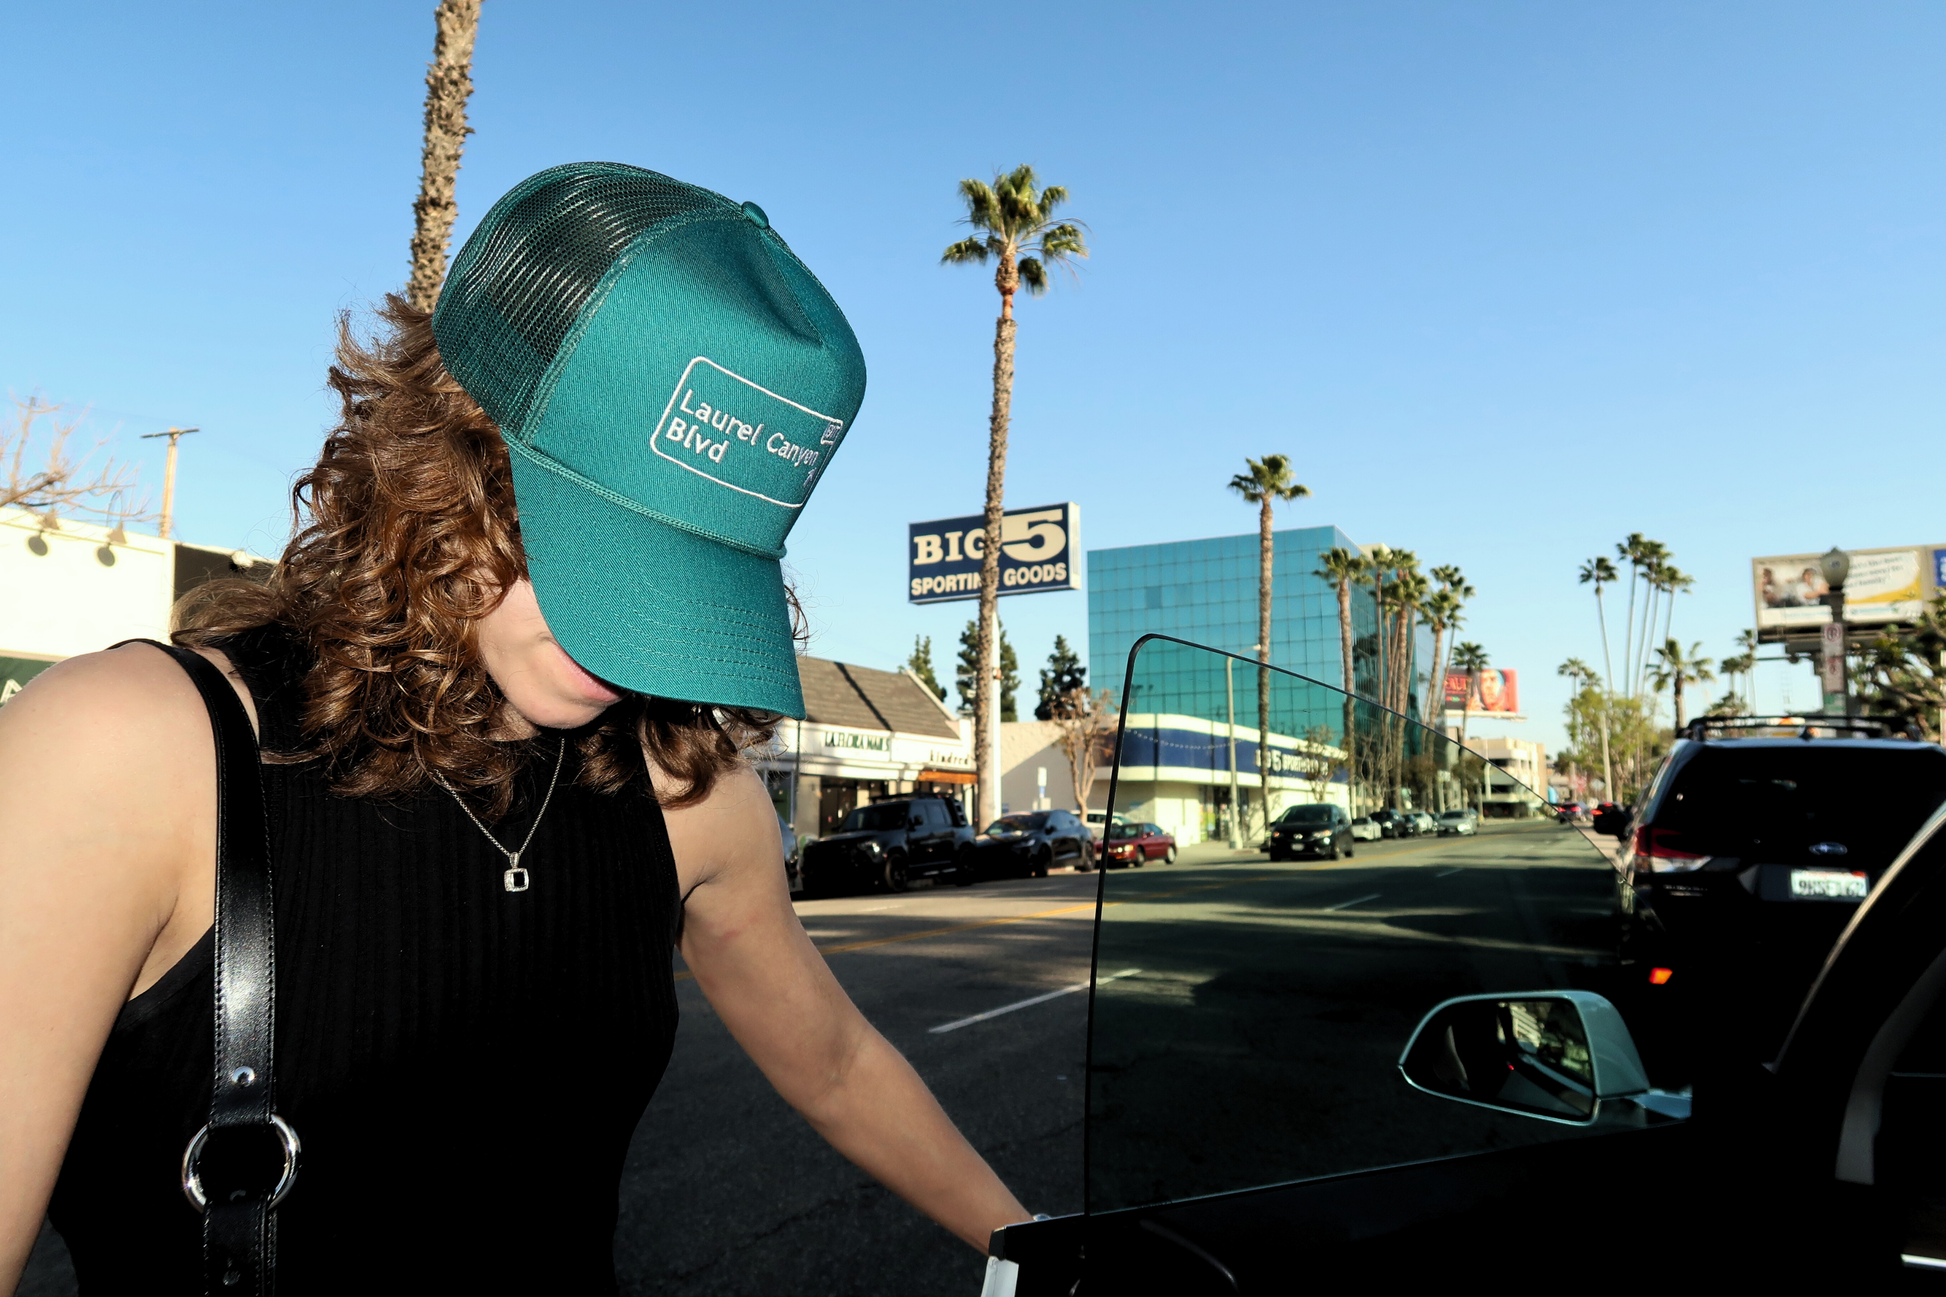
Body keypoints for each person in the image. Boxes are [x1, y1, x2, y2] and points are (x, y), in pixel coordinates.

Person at [0, 163, 1027, 1294]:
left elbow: (833, 1062)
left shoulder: (684, 792)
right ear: (445, 457)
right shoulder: (129, 750)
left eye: (687, 579)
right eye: (596, 550)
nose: (627, 643)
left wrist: (1041, 1251)